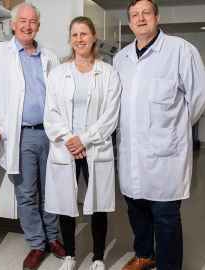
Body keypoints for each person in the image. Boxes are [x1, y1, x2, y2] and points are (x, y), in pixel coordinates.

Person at [113, 0, 205, 270]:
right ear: (130, 21)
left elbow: (202, 95)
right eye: (134, 15)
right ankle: (145, 255)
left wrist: (176, 126)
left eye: (146, 13)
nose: (140, 18)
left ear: (157, 17)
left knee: (166, 216)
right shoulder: (120, 58)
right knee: (136, 209)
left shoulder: (180, 50)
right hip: (131, 151)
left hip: (165, 154)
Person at [0, 3, 65, 270]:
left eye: (33, 21)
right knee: (27, 194)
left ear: (38, 25)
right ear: (13, 25)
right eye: (22, 21)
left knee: (52, 191)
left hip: (50, 134)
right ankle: (37, 244)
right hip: (21, 135)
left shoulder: (50, 56)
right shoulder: (0, 53)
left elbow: (59, 95)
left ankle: (53, 238)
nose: (28, 25)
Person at [44, 16, 121, 270]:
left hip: (94, 147)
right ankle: (70, 255)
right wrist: (70, 139)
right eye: (75, 35)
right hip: (66, 148)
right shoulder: (58, 74)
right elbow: (51, 112)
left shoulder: (108, 73)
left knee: (98, 203)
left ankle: (98, 257)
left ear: (93, 37)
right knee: (66, 203)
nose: (79, 39)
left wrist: (84, 139)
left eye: (84, 34)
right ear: (70, 39)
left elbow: (111, 116)